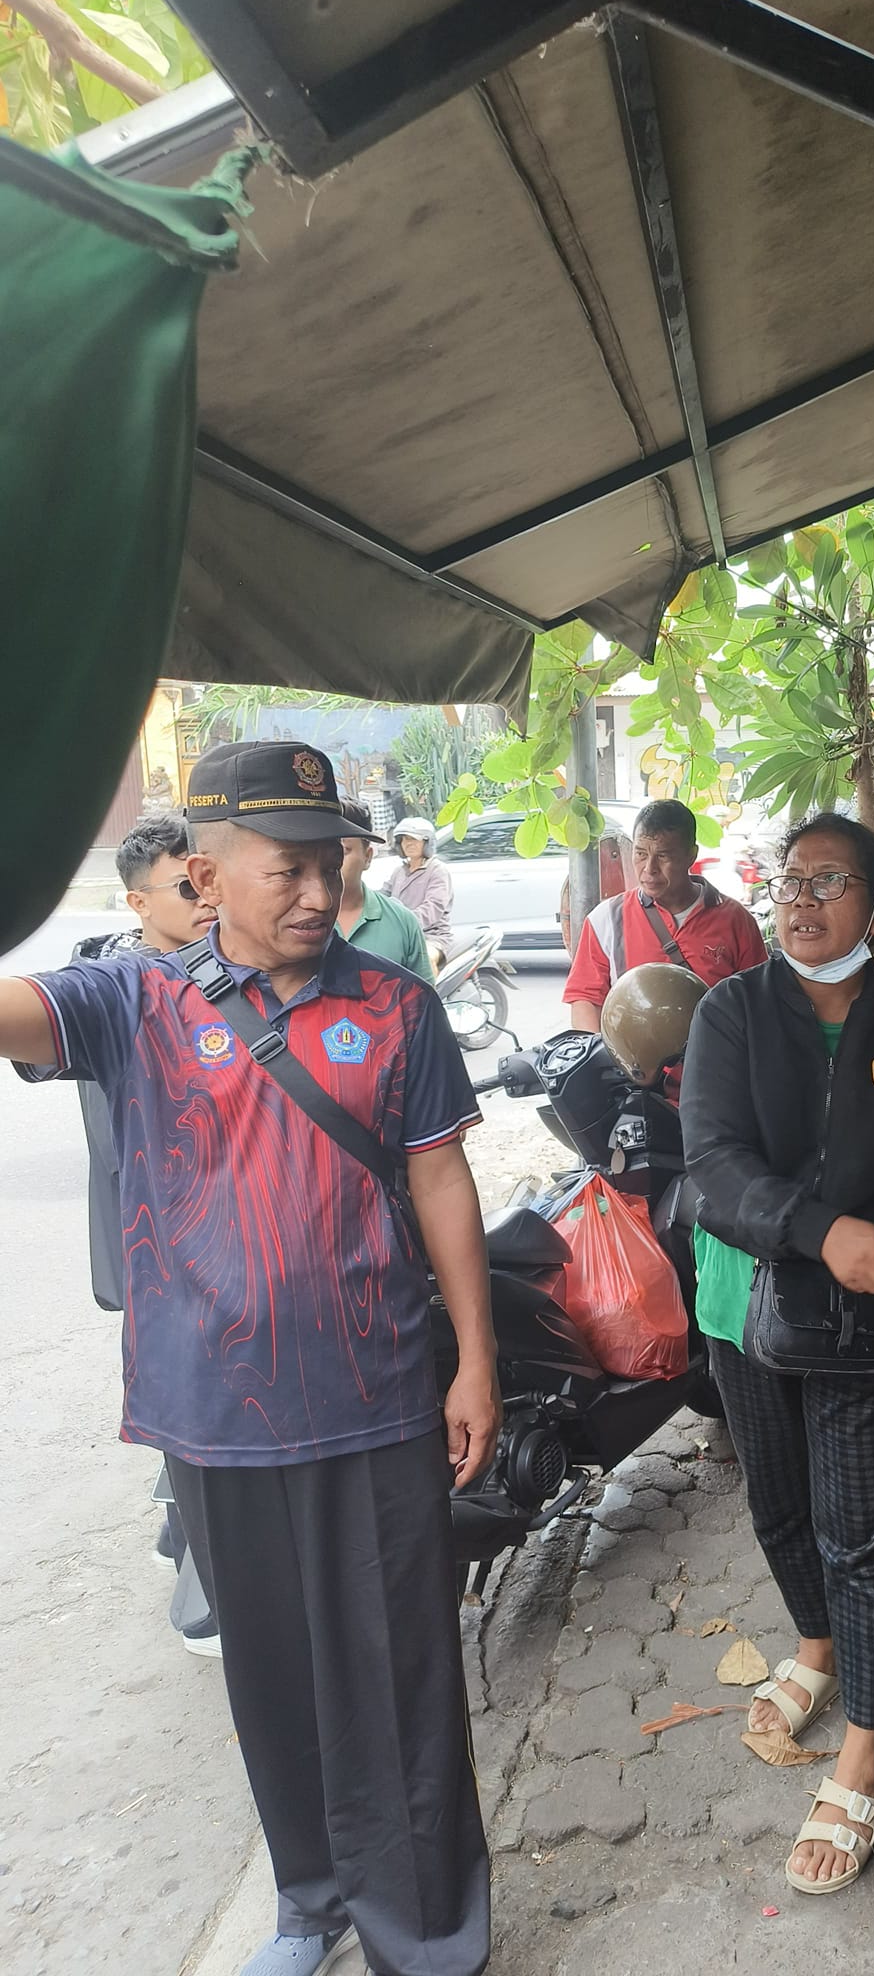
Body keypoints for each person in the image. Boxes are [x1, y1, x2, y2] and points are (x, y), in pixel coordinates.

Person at [0, 741, 498, 1976]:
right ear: (205, 874)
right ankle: (309, 1898)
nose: (319, 894)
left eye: (331, 862)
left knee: (399, 1678)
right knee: (271, 1680)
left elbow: (440, 1174)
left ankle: (427, 1930)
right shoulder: (132, 999)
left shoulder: (395, 1007)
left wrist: (474, 1360)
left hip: (377, 1391)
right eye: (288, 867)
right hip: (211, 1409)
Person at [681, 812, 874, 1894]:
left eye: (829, 881)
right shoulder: (730, 1010)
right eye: (786, 879)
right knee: (778, 1505)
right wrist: (818, 1231)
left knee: (863, 1533)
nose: (800, 899)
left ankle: (865, 1744)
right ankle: (815, 1643)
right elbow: (709, 1161)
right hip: (745, 1302)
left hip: (868, 1320)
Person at [74, 813, 223, 1651]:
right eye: (185, 886)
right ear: (137, 900)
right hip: (163, 1242)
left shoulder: (205, 970)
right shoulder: (118, 987)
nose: (205, 898)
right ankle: (206, 1607)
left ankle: (181, 1540)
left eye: (209, 879)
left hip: (195, 1243)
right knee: (199, 1420)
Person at [564, 797, 767, 1032]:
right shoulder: (606, 920)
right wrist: (603, 1059)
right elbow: (585, 999)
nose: (649, 869)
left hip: (714, 1065)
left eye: (663, 856)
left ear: (691, 856)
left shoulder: (735, 920)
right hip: (630, 1065)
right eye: (640, 854)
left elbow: (757, 1002)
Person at [336, 796, 434, 979]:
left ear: (367, 857)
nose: (330, 861)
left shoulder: (402, 923)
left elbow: (423, 1004)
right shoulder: (296, 922)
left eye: (341, 852)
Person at [387, 815, 455, 969]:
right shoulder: (399, 871)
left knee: (426, 962)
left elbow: (433, 907)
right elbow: (383, 896)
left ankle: (431, 993)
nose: (408, 843)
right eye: (404, 839)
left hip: (432, 937)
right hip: (402, 937)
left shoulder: (437, 871)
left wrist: (405, 922)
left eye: (413, 839)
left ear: (426, 842)